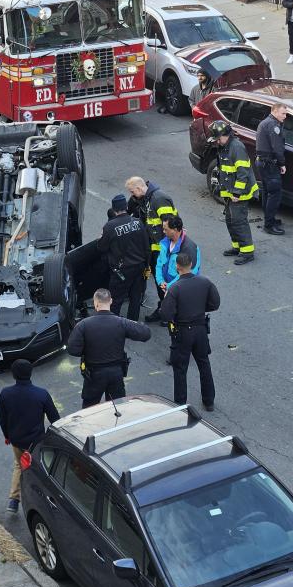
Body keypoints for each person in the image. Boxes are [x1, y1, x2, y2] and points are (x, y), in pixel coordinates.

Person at [67, 287, 151, 407]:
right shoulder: (121, 322)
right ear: (110, 301)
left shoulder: (83, 325)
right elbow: (146, 334)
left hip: (93, 374)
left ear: (95, 303)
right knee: (117, 408)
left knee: (89, 409)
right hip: (116, 373)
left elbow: (73, 349)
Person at [159, 253, 220, 411]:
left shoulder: (175, 288)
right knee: (204, 363)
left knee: (180, 368)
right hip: (200, 330)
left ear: (177, 267)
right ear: (191, 264)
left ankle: (180, 405)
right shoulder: (205, 282)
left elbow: (165, 314)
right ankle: (209, 401)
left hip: (182, 331)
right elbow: (215, 303)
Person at [0, 359, 59, 513]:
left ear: (14, 375)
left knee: (19, 465)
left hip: (17, 440)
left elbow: (2, 418)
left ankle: (13, 500)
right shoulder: (41, 394)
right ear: (30, 373)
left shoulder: (5, 393)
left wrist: (7, 436)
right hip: (37, 441)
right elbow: (55, 419)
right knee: (44, 468)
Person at [125, 176, 177, 322]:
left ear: (139, 188)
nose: (131, 195)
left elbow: (171, 226)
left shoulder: (159, 199)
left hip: (163, 249)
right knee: (159, 280)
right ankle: (164, 309)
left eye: (132, 191)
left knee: (164, 281)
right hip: (153, 248)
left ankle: (168, 313)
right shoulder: (143, 199)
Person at [208, 120, 258, 265]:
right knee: (230, 220)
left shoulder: (236, 147)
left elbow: (243, 172)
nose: (217, 141)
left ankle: (247, 252)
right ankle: (238, 247)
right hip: (230, 191)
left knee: (239, 221)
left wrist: (237, 193)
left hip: (240, 193)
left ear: (226, 135)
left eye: (218, 138)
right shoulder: (224, 146)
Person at [97, 194, 150, 320]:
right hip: (139, 267)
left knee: (115, 300)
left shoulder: (110, 226)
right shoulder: (138, 222)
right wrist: (147, 266)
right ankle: (132, 324)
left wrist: (100, 239)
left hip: (121, 271)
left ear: (114, 210)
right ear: (126, 207)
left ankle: (114, 326)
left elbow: (101, 248)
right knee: (135, 298)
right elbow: (147, 247)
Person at [255, 103, 288, 235]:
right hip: (269, 164)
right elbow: (277, 147)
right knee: (275, 193)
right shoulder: (273, 125)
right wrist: (282, 163)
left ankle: (270, 219)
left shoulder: (266, 122)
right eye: (283, 113)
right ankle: (269, 225)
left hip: (262, 162)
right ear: (274, 111)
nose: (285, 116)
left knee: (268, 192)